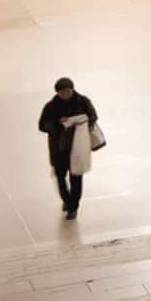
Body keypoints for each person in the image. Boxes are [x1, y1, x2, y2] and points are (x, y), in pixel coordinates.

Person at [36, 77, 99, 219]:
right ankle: (67, 200)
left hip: (78, 146)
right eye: (62, 92)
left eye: (68, 91)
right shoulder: (51, 106)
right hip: (59, 148)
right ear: (57, 93)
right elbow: (42, 125)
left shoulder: (83, 101)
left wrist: (81, 122)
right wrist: (59, 123)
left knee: (76, 178)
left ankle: (73, 206)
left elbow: (93, 116)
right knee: (60, 177)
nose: (65, 95)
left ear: (72, 89)